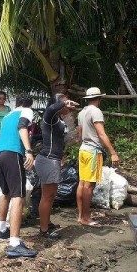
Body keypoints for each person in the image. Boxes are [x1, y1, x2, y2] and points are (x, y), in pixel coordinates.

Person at [0, 94, 37, 257]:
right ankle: (15, 244)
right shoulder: (26, 111)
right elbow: (22, 126)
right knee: (18, 196)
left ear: (16, 103)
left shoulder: (7, 115)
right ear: (28, 105)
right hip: (12, 153)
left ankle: (2, 230)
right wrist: (29, 151)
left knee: (6, 193)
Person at [34, 94, 78, 238]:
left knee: (51, 195)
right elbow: (51, 108)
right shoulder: (50, 117)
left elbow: (61, 140)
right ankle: (44, 230)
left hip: (53, 159)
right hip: (48, 159)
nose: (68, 106)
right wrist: (65, 102)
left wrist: (63, 155)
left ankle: (46, 222)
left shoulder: (58, 120)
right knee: (47, 196)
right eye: (64, 103)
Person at [76, 87, 119, 226]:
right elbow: (101, 133)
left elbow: (80, 132)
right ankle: (86, 218)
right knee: (89, 186)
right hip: (93, 151)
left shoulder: (82, 112)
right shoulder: (96, 111)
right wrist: (112, 152)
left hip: (83, 150)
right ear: (99, 99)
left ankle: (81, 215)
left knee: (82, 183)